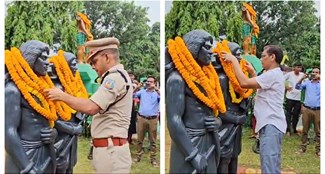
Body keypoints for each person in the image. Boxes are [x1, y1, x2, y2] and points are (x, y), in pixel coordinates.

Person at [44, 37, 133, 173]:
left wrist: (61, 96)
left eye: (94, 61)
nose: (92, 66)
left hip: (111, 151)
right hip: (108, 149)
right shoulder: (114, 77)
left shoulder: (114, 78)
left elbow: (91, 107)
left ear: (107, 57)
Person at [221, 45, 286, 174]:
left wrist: (234, 61)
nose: (261, 59)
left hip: (271, 124)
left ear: (272, 57)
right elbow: (259, 86)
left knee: (269, 165)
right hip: (270, 124)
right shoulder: (272, 74)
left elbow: (244, 83)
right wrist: (252, 73)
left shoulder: (272, 74)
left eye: (263, 56)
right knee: (271, 162)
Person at [166, 30, 221, 173]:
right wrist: (193, 155)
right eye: (207, 47)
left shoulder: (209, 78)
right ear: (194, 48)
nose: (211, 52)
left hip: (210, 141)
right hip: (189, 144)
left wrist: (217, 122)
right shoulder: (177, 79)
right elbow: (174, 120)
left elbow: (216, 109)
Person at [5, 40, 58, 173]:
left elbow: (48, 120)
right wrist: (27, 167)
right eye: (44, 58)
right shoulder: (12, 89)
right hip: (24, 157)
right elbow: (8, 132)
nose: (48, 63)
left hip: (45, 153)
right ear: (31, 59)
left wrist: (53, 133)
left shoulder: (43, 89)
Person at [215, 41, 251, 174]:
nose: (240, 57)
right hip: (225, 123)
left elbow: (246, 95)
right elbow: (217, 109)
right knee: (224, 157)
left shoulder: (240, 78)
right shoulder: (221, 78)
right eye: (237, 54)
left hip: (237, 122)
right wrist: (235, 119)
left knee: (235, 155)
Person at [49, 51, 84, 174]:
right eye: (73, 63)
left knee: (70, 166)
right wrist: (72, 130)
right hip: (59, 137)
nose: (76, 67)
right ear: (64, 66)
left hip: (71, 138)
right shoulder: (54, 88)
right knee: (59, 167)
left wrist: (80, 121)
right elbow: (51, 118)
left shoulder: (74, 87)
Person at [133, 75, 160, 167]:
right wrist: (137, 87)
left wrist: (155, 88)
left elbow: (164, 98)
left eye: (151, 81)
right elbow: (131, 95)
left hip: (152, 119)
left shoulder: (157, 93)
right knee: (139, 139)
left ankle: (153, 159)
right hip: (141, 118)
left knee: (153, 140)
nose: (148, 83)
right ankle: (138, 156)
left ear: (154, 83)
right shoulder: (142, 92)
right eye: (147, 81)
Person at [295, 67, 320, 157]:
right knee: (305, 130)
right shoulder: (307, 83)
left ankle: (319, 150)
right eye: (313, 72)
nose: (314, 74)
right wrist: (302, 78)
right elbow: (297, 86)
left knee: (319, 131)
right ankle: (303, 148)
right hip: (307, 109)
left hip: (318, 110)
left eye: (316, 72)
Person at [284, 63, 304, 136]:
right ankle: (288, 130)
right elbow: (281, 79)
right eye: (298, 67)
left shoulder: (302, 75)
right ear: (294, 67)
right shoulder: (289, 74)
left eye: (300, 67)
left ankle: (295, 129)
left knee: (296, 114)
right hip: (290, 97)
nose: (299, 69)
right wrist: (286, 86)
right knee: (288, 113)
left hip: (298, 98)